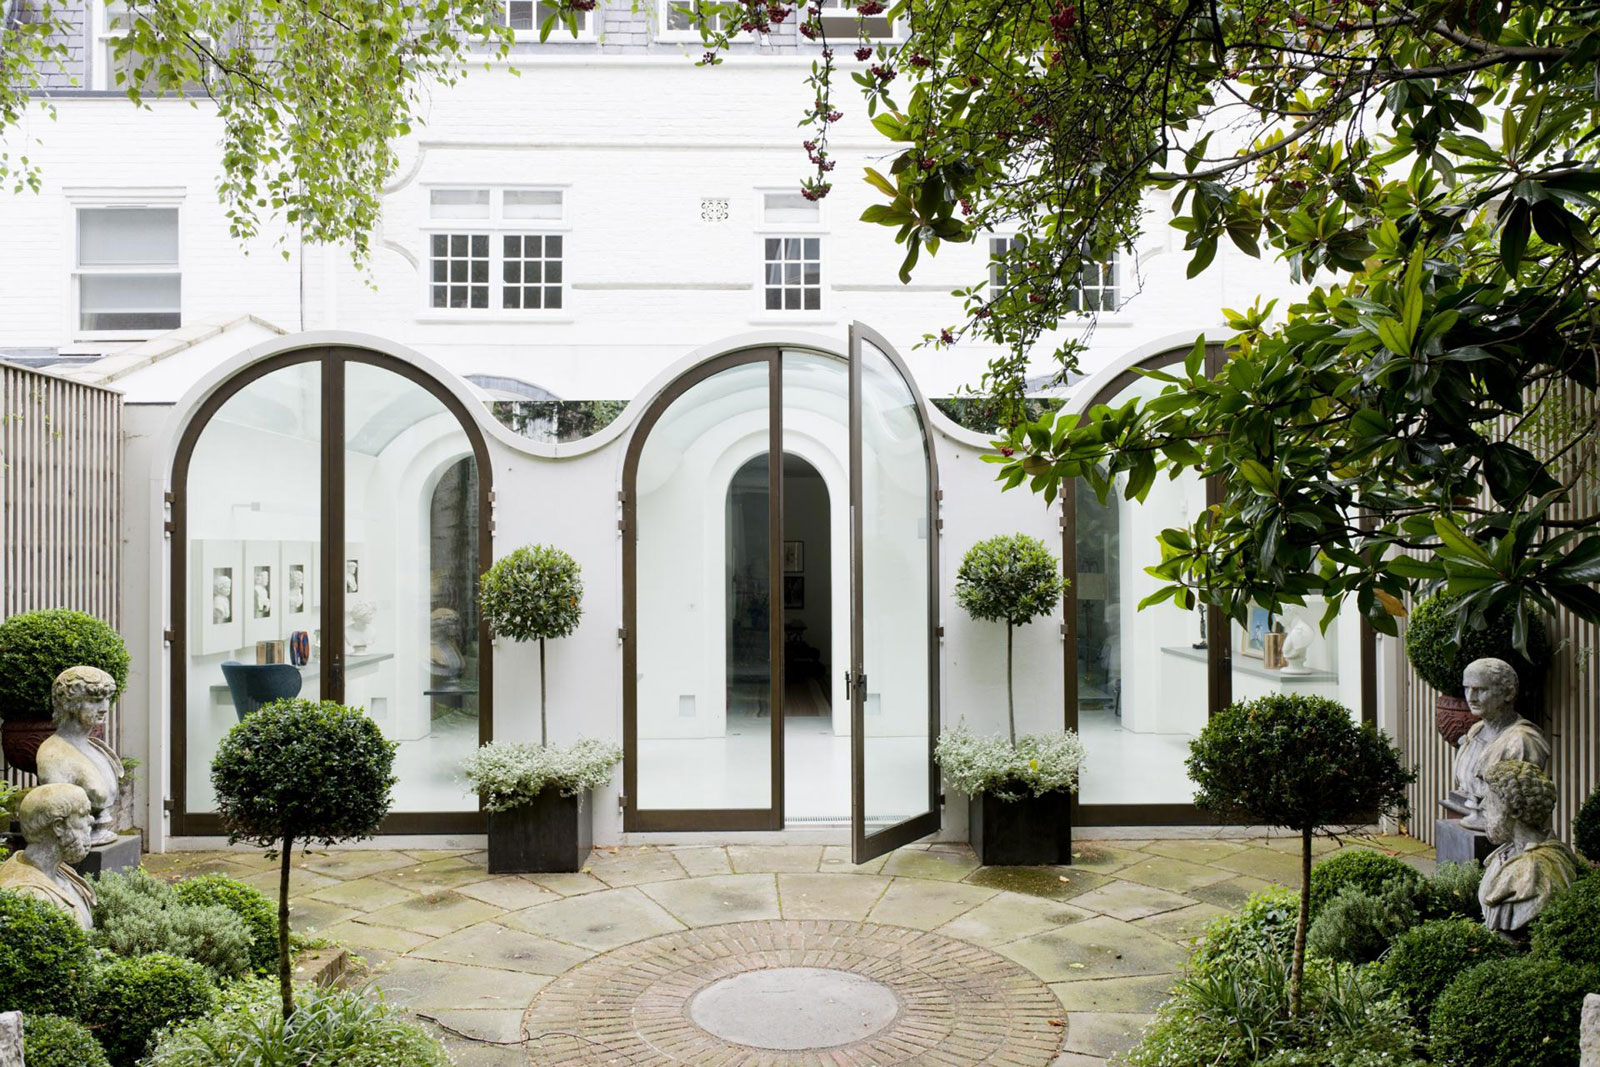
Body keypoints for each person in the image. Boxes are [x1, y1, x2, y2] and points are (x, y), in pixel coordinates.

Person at [1479, 759, 1582, 938]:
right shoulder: (1506, 853)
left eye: (1490, 799)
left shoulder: (1538, 869)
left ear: (1515, 810)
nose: (1482, 806)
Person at [1452, 657, 1549, 830]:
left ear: (1508, 693)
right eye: (1467, 688)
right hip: (1475, 816)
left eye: (1480, 689)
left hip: (1505, 829)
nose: (1471, 698)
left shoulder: (1522, 741)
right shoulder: (1476, 730)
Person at [35, 665, 124, 847]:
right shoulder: (53, 756)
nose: (104, 708)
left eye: (107, 699)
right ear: (70, 703)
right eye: (95, 700)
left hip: (101, 833)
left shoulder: (96, 748)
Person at [0, 783, 97, 928]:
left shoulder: (61, 872)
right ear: (58, 826)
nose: (92, 820)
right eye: (84, 814)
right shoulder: (28, 895)